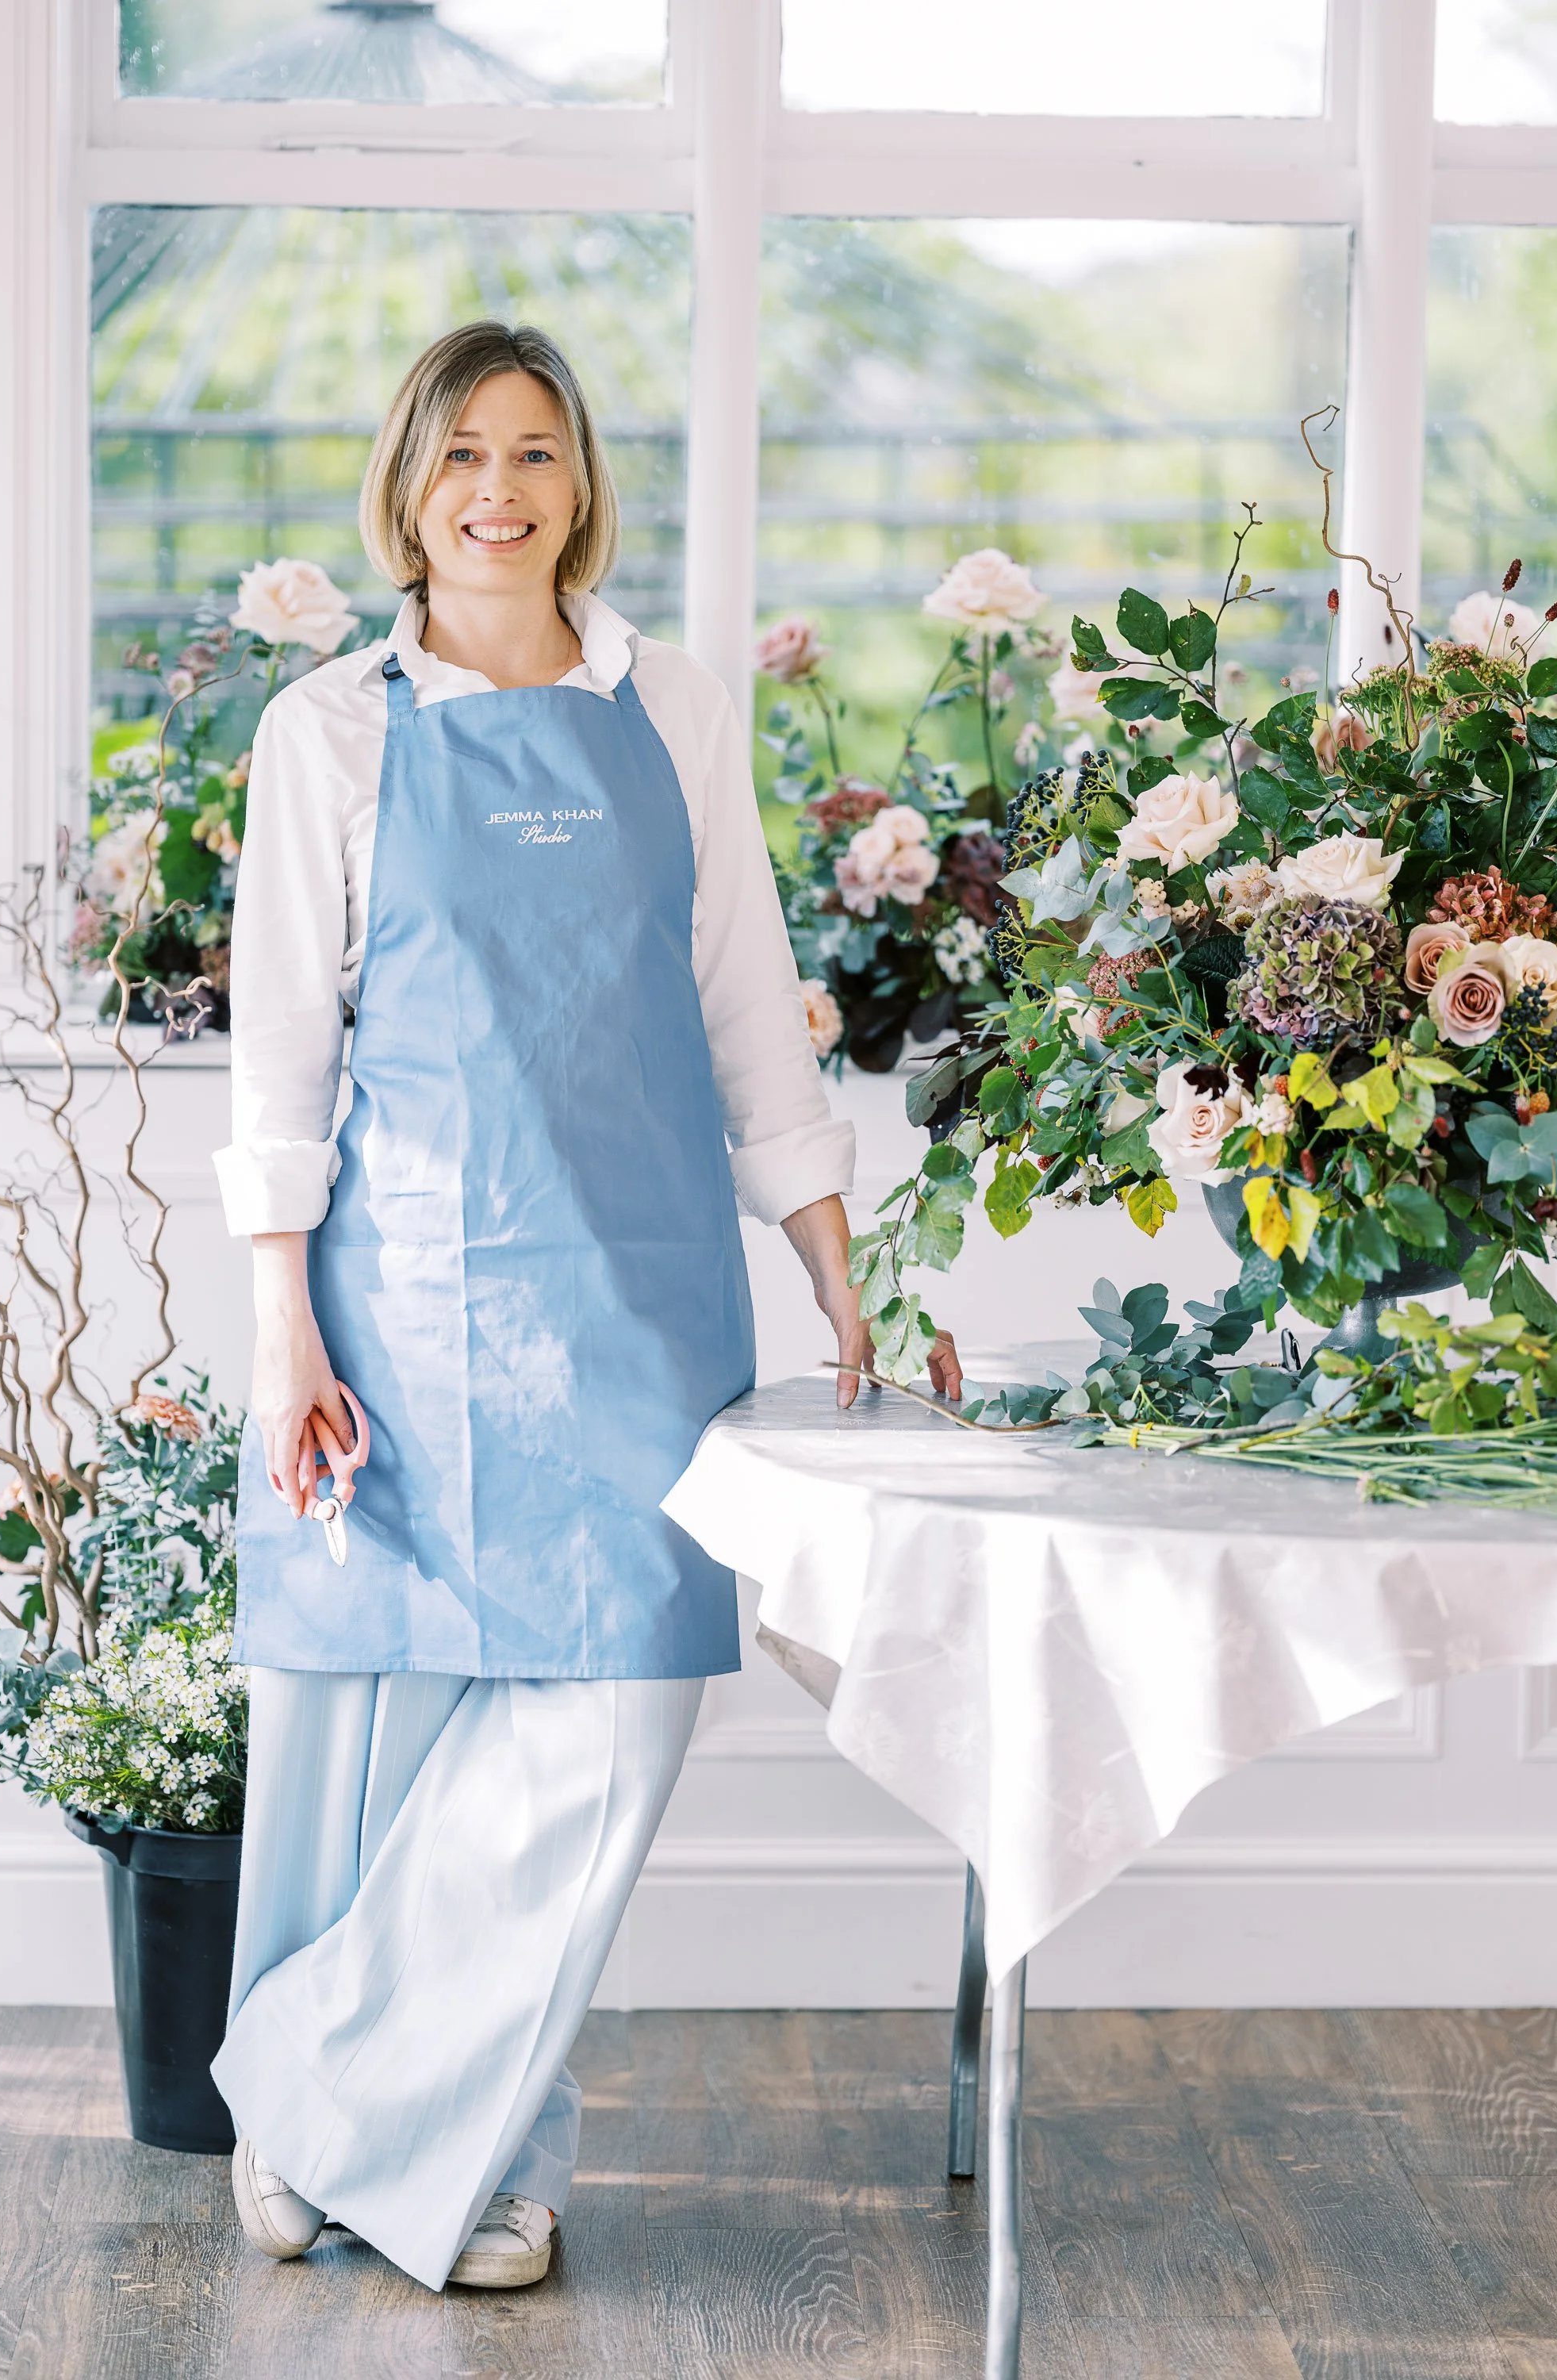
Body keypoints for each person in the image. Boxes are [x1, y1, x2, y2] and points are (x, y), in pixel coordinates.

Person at [209, 319, 961, 2294]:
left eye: (535, 451)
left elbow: (745, 993)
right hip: (403, 1296)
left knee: (613, 1708)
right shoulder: (331, 733)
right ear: (407, 485)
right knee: (393, 1724)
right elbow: (282, 1058)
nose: (498, 489)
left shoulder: (673, 705)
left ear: (580, 482)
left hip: (639, 1291)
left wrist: (826, 1253)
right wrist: (283, 1326)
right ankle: (475, 2163)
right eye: (462, 453)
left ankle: (316, 2095)